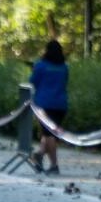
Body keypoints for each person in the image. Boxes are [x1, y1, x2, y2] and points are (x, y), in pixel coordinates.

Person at [28, 40, 69, 175]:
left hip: (44, 104)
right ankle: (39, 155)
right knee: (49, 134)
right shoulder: (64, 67)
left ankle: (54, 165)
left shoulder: (41, 65)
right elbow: (65, 82)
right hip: (61, 104)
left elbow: (33, 81)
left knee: (49, 135)